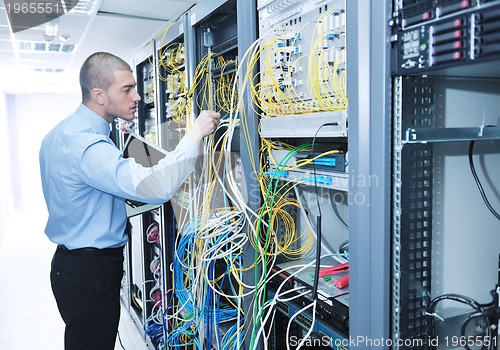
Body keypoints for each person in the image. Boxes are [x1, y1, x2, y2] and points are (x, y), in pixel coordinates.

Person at [39, 52, 220, 349]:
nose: (137, 96)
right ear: (99, 95)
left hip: (71, 267)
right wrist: (196, 133)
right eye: (126, 89)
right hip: (91, 272)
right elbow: (157, 186)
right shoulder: (89, 145)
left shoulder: (59, 134)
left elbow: (82, 196)